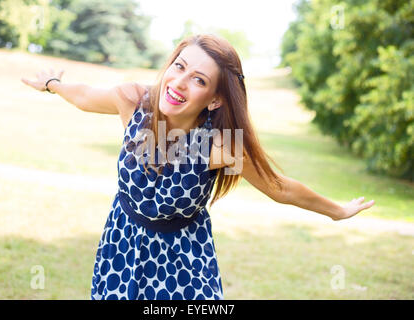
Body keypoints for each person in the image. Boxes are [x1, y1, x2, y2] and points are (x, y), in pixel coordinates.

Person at [21, 34, 375, 300]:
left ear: (216, 98)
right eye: (180, 66)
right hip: (123, 244)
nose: (179, 83)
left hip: (182, 260)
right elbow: (83, 96)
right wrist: (52, 85)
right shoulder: (134, 102)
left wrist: (337, 211)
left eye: (199, 80)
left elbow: (278, 187)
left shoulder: (217, 147)